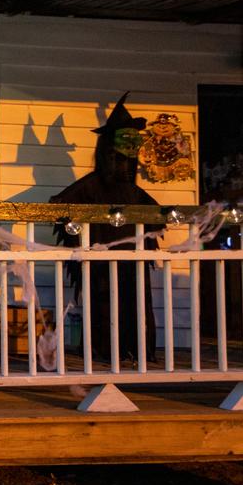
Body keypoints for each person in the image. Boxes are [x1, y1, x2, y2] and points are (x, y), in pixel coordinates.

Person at [50, 93, 159, 365]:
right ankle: (106, 349)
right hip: (100, 254)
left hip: (131, 253)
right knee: (103, 301)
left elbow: (157, 214)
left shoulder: (133, 191)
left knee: (136, 300)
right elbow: (61, 205)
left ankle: (138, 349)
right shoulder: (91, 185)